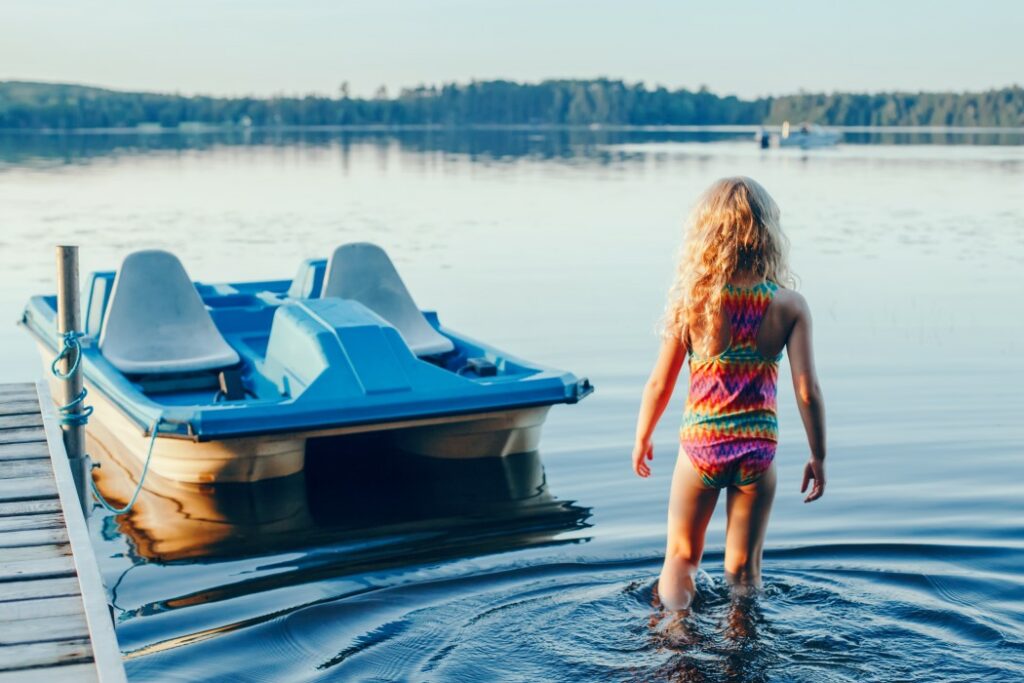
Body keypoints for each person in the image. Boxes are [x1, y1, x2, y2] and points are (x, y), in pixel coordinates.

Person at [631, 176, 827, 611]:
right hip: (757, 450)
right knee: (743, 571)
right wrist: (819, 455)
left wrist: (643, 435)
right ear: (767, 235)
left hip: (702, 445)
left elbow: (659, 382)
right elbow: (807, 391)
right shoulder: (790, 306)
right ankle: (741, 648)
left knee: (681, 557)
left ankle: (675, 637)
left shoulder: (695, 302)